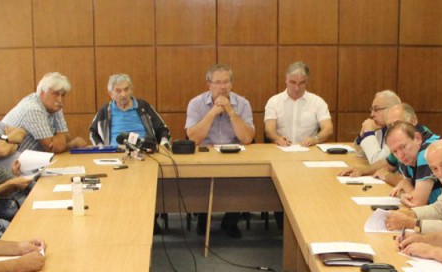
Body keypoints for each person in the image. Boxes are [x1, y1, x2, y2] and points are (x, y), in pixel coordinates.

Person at [185, 63, 255, 238]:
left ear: (232, 84)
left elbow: (247, 138)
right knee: (199, 177)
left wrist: (231, 112)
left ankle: (230, 222)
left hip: (235, 155)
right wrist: (212, 112)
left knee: (245, 178)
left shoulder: (242, 104)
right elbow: (193, 139)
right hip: (204, 155)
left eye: (226, 82)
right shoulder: (196, 103)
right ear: (209, 85)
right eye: (217, 82)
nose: (222, 87)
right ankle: (203, 219)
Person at [383, 140, 442, 234]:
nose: (440, 173)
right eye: (435, 169)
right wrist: (411, 213)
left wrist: (412, 223)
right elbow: (439, 208)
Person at [339, 103, 439, 182]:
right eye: (389, 126)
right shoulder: (402, 142)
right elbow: (388, 163)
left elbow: (412, 184)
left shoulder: (426, 148)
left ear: (413, 121)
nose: (392, 130)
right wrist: (363, 170)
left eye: (397, 124)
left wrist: (387, 176)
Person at [2, 71, 87, 154]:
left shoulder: (53, 105)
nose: (60, 99)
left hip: (32, 158)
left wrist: (61, 135)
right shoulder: (33, 109)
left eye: (63, 95)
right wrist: (74, 144)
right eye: (55, 94)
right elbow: (50, 147)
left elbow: (65, 136)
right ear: (42, 93)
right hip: (12, 159)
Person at [88, 73, 171, 147]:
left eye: (126, 89)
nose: (123, 94)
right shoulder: (105, 111)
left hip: (144, 152)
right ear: (111, 94)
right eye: (118, 91)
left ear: (131, 89)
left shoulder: (143, 107)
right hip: (114, 153)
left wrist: (164, 140)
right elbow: (93, 133)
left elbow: (162, 128)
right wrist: (100, 147)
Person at [263, 62, 333, 147]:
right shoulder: (274, 101)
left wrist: (315, 139)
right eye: (292, 82)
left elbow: (328, 128)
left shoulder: (317, 102)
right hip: (281, 149)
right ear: (286, 80)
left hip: (309, 149)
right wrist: (278, 139)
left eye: (301, 83)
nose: (297, 88)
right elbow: (269, 130)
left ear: (307, 81)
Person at [353, 90, 401, 165]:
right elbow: (361, 154)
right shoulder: (379, 127)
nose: (372, 114)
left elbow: (377, 162)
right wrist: (362, 135)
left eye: (376, 109)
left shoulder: (399, 132)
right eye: (372, 110)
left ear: (392, 109)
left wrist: (368, 132)